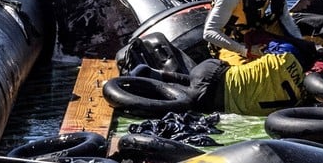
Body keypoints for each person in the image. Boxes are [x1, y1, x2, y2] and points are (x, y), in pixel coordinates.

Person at [131, 40, 313, 117]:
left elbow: (268, 46)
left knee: (198, 83)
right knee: (187, 95)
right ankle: (148, 81)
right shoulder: (301, 97)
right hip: (215, 99)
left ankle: (154, 74)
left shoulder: (284, 57)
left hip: (214, 70)